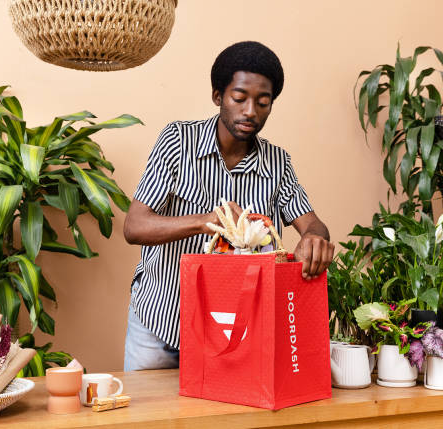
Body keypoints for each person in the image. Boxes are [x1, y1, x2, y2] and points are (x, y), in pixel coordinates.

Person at [123, 41, 334, 371]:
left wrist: (314, 238)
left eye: (263, 103)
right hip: (162, 321)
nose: (251, 111)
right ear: (218, 96)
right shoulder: (178, 141)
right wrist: (206, 222)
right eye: (240, 98)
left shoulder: (277, 163)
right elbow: (134, 227)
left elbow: (313, 224)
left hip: (236, 332)